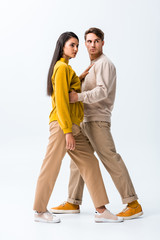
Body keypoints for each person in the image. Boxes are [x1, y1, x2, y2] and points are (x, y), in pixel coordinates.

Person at [51, 28, 143, 220]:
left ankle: (133, 203)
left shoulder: (105, 64)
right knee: (79, 161)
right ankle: (73, 201)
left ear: (102, 43)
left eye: (96, 41)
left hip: (98, 120)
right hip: (85, 119)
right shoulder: (93, 65)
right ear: (85, 44)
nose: (92, 45)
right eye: (89, 41)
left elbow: (102, 92)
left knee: (110, 158)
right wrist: (80, 79)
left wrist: (78, 96)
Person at [33, 31, 124, 223]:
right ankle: (40, 211)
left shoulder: (67, 69)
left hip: (73, 126)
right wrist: (67, 132)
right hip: (62, 126)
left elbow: (69, 91)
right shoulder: (61, 68)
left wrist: (79, 78)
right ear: (62, 47)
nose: (76, 49)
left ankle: (101, 210)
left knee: (90, 163)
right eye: (71, 45)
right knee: (51, 166)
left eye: (76, 45)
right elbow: (62, 102)